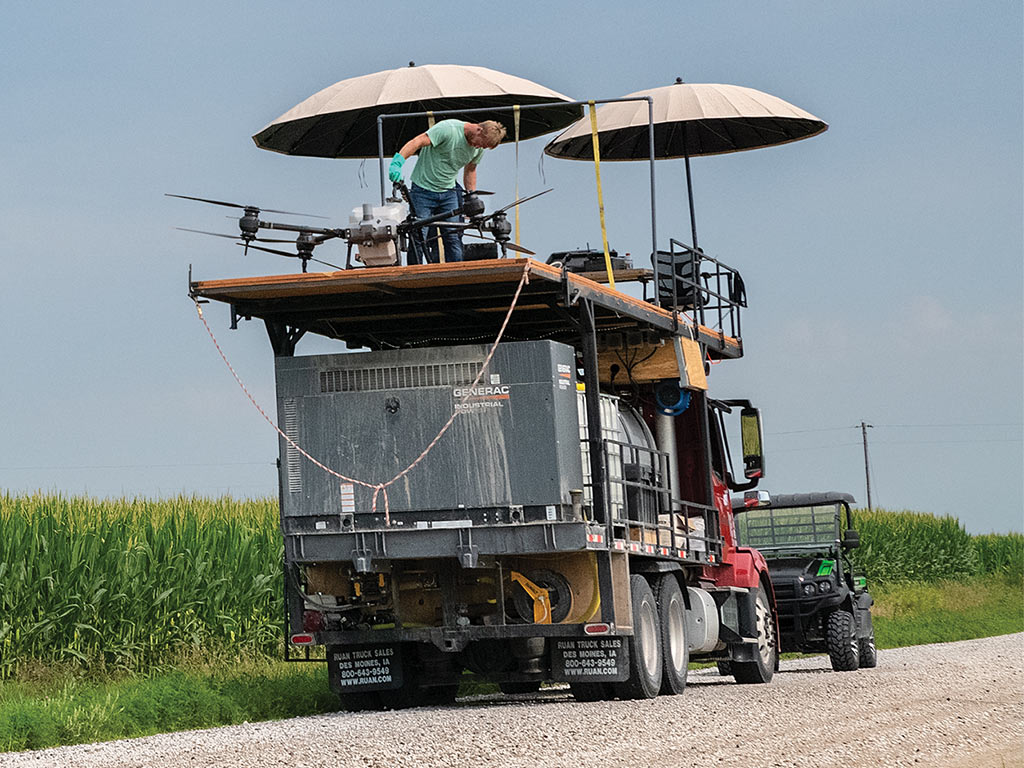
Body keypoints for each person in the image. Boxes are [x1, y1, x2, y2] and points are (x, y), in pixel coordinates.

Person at [389, 119, 506, 264]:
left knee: (453, 236)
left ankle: (455, 274)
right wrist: (398, 162)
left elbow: (470, 170)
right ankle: (414, 273)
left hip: (448, 192)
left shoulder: (479, 148)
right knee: (419, 235)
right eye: (480, 143)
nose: (478, 147)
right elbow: (417, 142)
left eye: (483, 147)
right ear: (479, 130)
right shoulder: (448, 129)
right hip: (423, 190)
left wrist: (471, 196)